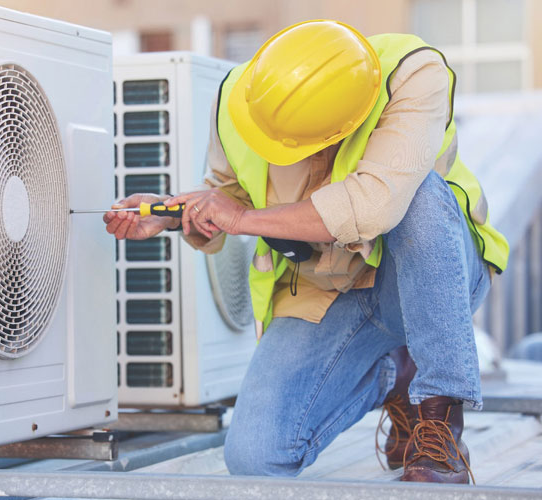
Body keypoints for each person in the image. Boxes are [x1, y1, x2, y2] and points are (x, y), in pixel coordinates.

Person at [103, 20, 508, 484]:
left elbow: (372, 206)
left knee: (420, 197)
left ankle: (438, 420)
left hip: (425, 279)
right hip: (328, 288)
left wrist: (242, 220)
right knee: (256, 458)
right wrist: (173, 212)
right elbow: (227, 193)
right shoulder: (242, 98)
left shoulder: (412, 75)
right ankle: (392, 376)